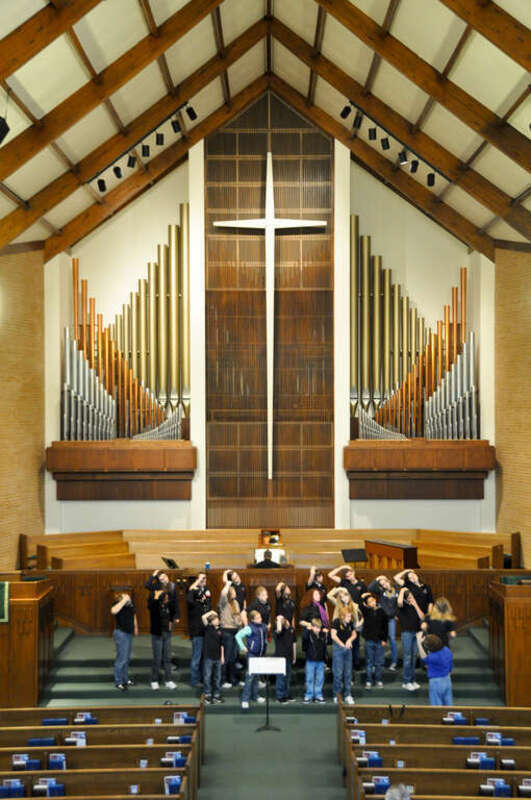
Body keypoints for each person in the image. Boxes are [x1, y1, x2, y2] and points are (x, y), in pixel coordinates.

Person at [235, 609, 268, 710]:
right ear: (253, 620)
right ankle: (245, 699)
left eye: (260, 617)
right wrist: (242, 647)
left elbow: (264, 638)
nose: (260, 619)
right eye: (258, 618)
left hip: (260, 655)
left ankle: (255, 696)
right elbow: (238, 636)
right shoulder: (249, 628)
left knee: (257, 676)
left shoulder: (263, 626)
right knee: (249, 677)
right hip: (252, 655)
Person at [328, 586, 363, 671]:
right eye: (342, 597)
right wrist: (339, 589)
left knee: (352, 651)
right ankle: (337, 674)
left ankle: (352, 671)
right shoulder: (338, 604)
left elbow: (360, 618)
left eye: (346, 596)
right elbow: (329, 595)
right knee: (339, 651)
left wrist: (359, 624)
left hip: (350, 631)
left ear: (349, 596)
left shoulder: (354, 605)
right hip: (339, 630)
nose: (344, 598)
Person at [148, 588, 177, 690]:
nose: (167, 600)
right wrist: (156, 596)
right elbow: (151, 606)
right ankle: (154, 680)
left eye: (168, 598)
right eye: (165, 598)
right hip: (157, 635)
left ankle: (168, 680)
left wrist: (171, 623)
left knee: (167, 658)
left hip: (167, 634)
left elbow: (173, 613)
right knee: (157, 658)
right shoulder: (155, 606)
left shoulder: (168, 605)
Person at [367, 575, 399, 670]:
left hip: (391, 619)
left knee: (392, 640)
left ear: (388, 581)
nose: (384, 584)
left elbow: (400, 604)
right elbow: (370, 587)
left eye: (384, 582)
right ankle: (379, 662)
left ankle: (394, 662)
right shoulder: (381, 592)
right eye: (382, 584)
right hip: (382, 620)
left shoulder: (397, 590)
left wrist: (397, 614)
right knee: (381, 640)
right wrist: (378, 578)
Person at [218, 571, 243, 688]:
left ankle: (233, 679)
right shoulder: (224, 602)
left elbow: (237, 616)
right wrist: (227, 584)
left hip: (235, 631)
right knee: (226, 658)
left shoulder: (236, 603)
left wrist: (240, 623)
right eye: (232, 591)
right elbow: (223, 593)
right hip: (226, 631)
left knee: (233, 658)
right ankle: (223, 680)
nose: (235, 592)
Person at [397, 585, 424, 691]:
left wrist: (415, 604)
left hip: (416, 633)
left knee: (413, 658)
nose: (410, 597)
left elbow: (422, 617)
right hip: (407, 633)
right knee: (408, 658)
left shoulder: (415, 605)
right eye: (408, 596)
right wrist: (403, 590)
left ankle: (412, 680)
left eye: (411, 596)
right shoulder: (402, 606)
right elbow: (399, 601)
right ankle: (406, 681)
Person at [186, 573, 212, 688]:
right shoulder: (192, 592)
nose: (204, 580)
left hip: (205, 628)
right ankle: (194, 680)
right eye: (202, 579)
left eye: (205, 578)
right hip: (196, 629)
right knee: (196, 657)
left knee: (204, 656)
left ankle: (202, 678)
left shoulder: (205, 591)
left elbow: (208, 606)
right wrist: (197, 582)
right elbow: (189, 600)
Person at [111, 591, 138, 691]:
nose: (128, 597)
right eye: (125, 596)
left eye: (128, 596)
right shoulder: (117, 605)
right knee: (121, 659)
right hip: (121, 633)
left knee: (126, 658)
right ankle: (118, 681)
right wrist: (124, 600)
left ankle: (125, 679)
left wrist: (135, 627)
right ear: (120, 599)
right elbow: (113, 611)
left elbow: (134, 615)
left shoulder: (130, 605)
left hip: (129, 633)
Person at [360, 592, 388, 688]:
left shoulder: (382, 611)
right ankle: (369, 680)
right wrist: (363, 596)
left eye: (373, 600)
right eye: (369, 602)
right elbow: (360, 605)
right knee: (369, 662)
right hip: (369, 641)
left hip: (380, 641)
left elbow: (385, 627)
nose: (372, 602)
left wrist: (384, 639)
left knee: (379, 662)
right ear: (367, 604)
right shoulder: (366, 611)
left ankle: (378, 680)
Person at [417, 633, 453, 706]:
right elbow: (450, 667)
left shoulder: (433, 657)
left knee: (436, 706)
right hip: (447, 680)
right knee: (448, 704)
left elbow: (423, 657)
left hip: (436, 682)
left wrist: (419, 643)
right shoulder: (447, 650)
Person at [330, 606, 356, 703]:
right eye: (348, 617)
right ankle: (337, 695)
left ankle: (348, 694)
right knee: (338, 673)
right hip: (338, 650)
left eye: (350, 616)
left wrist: (349, 640)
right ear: (342, 616)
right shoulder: (336, 622)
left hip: (348, 650)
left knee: (348, 673)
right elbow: (333, 635)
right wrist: (342, 644)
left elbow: (354, 634)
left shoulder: (350, 623)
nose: (349, 618)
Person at [201, 611, 225, 704]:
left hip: (218, 657)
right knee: (207, 676)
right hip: (208, 657)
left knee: (217, 677)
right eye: (215, 619)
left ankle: (216, 695)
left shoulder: (221, 630)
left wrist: (222, 657)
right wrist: (211, 612)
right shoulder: (208, 628)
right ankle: (207, 695)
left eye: (218, 619)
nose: (218, 620)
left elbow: (222, 645)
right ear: (211, 622)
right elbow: (203, 617)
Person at [303, 617, 327, 703]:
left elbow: (327, 644)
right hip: (310, 660)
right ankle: (309, 695)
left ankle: (318, 695)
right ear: (312, 627)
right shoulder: (308, 634)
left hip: (320, 660)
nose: (318, 630)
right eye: (316, 627)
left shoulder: (323, 635)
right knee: (309, 678)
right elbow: (304, 641)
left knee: (320, 678)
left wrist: (327, 634)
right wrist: (307, 630)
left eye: (319, 628)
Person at [274, 613, 296, 703]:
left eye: (284, 618)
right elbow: (279, 630)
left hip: (289, 656)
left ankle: (286, 694)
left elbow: (294, 643)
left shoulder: (291, 629)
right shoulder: (277, 630)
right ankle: (280, 696)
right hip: (280, 657)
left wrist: (294, 656)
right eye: (280, 620)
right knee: (281, 677)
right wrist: (279, 620)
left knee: (288, 677)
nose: (283, 620)